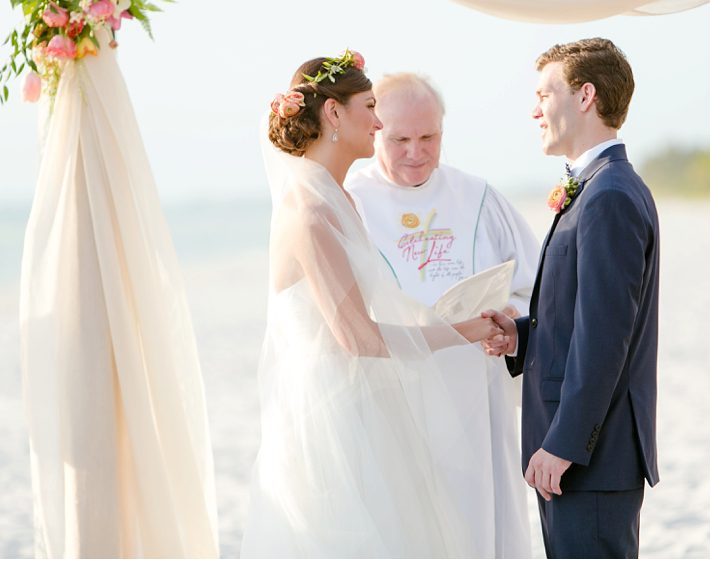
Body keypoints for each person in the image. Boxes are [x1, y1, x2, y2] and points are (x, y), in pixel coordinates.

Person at [240, 51, 505, 558]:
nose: (379, 121)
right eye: (369, 106)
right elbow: (359, 339)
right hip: (333, 423)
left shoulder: (341, 199)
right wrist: (463, 331)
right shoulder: (310, 212)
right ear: (334, 114)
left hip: (368, 407)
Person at [345, 72, 538, 558]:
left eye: (428, 137)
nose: (416, 151)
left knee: (478, 520)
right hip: (397, 394)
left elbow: (538, 284)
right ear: (375, 132)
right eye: (400, 139)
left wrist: (509, 314)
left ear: (443, 131)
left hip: (476, 387)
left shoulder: (477, 197)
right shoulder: (349, 200)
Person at [484, 38, 660, 558]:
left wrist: (564, 444)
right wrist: (519, 334)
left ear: (585, 96)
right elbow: (582, 316)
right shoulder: (598, 185)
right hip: (580, 454)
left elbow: (606, 338)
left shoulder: (608, 196)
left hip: (590, 455)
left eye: (545, 92)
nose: (534, 109)